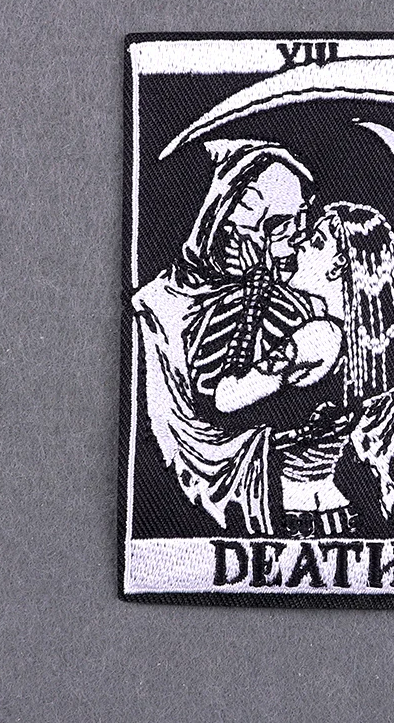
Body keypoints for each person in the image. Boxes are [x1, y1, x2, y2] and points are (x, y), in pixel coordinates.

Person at [214, 202, 394, 538]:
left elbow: (226, 397)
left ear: (339, 264)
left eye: (316, 241)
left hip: (298, 522)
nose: (299, 244)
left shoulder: (319, 336)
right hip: (336, 516)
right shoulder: (375, 347)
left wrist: (254, 296)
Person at [132, 139, 320, 535]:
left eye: (296, 224)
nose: (293, 242)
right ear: (219, 219)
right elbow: (218, 394)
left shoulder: (294, 308)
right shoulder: (156, 306)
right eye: (277, 226)